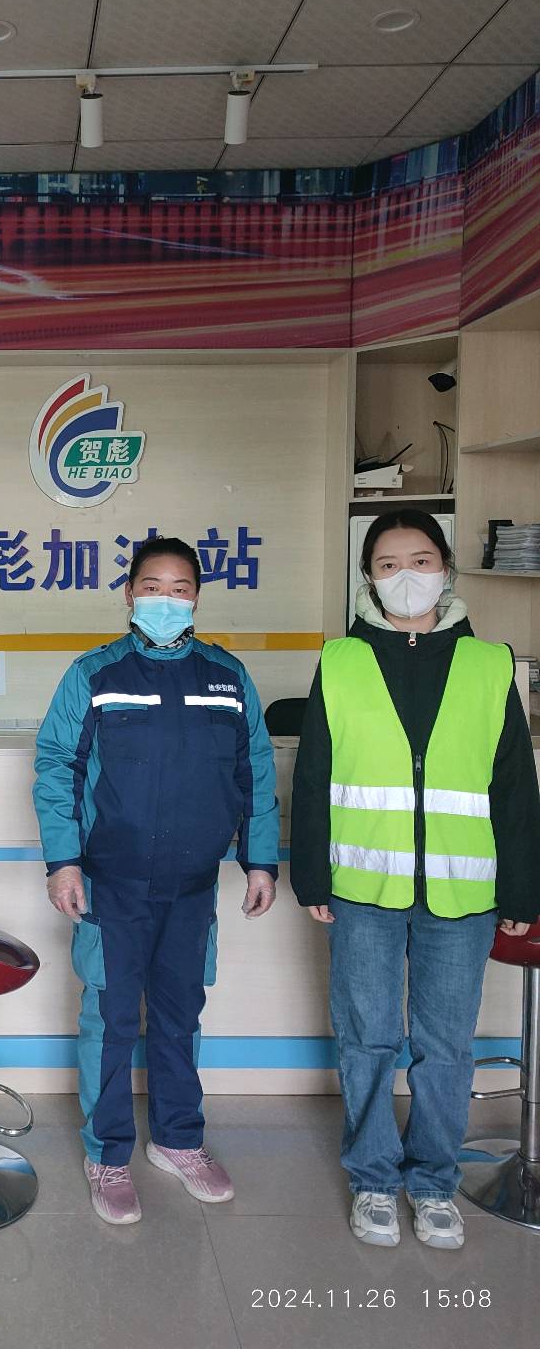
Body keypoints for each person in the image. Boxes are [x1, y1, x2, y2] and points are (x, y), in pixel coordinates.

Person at [291, 509, 540, 1252]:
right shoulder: (340, 660)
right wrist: (313, 878)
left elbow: (515, 787)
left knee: (445, 1047)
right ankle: (373, 1177)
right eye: (389, 564)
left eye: (421, 560)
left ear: (447, 569)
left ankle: (432, 1184)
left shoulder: (491, 663)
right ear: (369, 578)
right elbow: (313, 776)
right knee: (367, 1039)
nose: (407, 576)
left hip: (462, 894)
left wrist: (523, 890)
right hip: (364, 888)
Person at [33, 536, 279, 1225]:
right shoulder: (96, 674)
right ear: (129, 594)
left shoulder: (227, 676)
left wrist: (260, 859)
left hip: (192, 885)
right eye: (152, 587)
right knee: (111, 1020)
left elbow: (255, 772)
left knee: (178, 1014)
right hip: (111, 883)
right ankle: (108, 1153)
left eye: (179, 589)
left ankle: (177, 1140)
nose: (165, 600)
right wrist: (64, 860)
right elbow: (56, 768)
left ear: (196, 598)